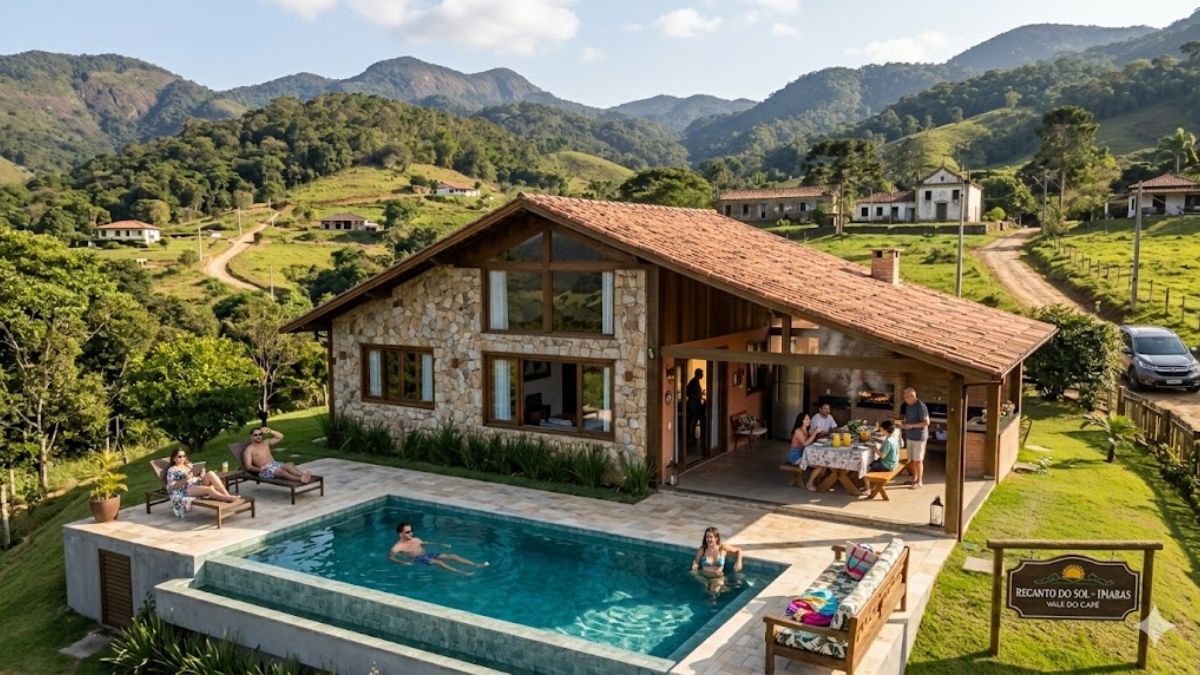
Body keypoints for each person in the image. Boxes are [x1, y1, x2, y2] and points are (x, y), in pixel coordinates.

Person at [164, 448, 240, 518]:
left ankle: (227, 495)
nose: (182, 458)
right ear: (174, 458)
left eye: (184, 456)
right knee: (209, 489)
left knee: (210, 473)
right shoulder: (172, 470)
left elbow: (197, 477)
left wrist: (202, 474)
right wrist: (186, 479)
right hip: (186, 489)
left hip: (197, 483)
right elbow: (171, 487)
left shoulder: (189, 465)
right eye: (179, 457)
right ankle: (226, 498)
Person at [389, 522, 488, 576]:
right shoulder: (397, 547)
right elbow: (391, 558)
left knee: (452, 556)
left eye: (411, 531)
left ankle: (476, 565)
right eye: (407, 532)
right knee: (438, 562)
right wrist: (403, 563)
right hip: (417, 559)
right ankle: (463, 573)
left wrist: (442, 544)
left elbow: (426, 543)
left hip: (427, 553)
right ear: (400, 534)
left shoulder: (416, 539)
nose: (411, 533)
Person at [242, 426, 311, 484]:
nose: (258, 436)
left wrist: (270, 431)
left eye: (260, 434)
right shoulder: (249, 450)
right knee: (281, 472)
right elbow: (248, 467)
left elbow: (280, 437)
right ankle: (299, 479)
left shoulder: (265, 442)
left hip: (274, 464)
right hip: (264, 470)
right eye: (256, 435)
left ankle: (303, 475)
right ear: (251, 437)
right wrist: (259, 469)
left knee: (289, 465)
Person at [690, 527, 743, 593]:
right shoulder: (702, 549)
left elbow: (739, 550)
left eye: (711, 537)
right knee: (704, 590)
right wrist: (695, 565)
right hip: (703, 577)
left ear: (716, 538)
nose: (708, 539)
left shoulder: (722, 548)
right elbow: (696, 561)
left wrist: (739, 561)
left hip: (718, 577)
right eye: (707, 537)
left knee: (714, 591)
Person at [899, 387, 930, 489]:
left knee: (918, 460)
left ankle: (919, 482)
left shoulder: (921, 406)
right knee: (912, 459)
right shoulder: (908, 405)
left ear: (912, 396)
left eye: (906, 397)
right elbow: (909, 419)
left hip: (919, 437)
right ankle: (914, 479)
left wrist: (912, 426)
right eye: (904, 397)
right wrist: (903, 424)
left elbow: (926, 423)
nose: (905, 399)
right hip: (910, 436)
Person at [685, 368, 705, 448]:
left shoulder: (696, 381)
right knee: (692, 420)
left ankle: (692, 436)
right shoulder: (693, 382)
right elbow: (687, 392)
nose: (703, 375)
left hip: (696, 404)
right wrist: (696, 396)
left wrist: (700, 394)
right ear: (698, 374)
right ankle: (690, 437)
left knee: (694, 420)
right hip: (693, 405)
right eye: (702, 373)